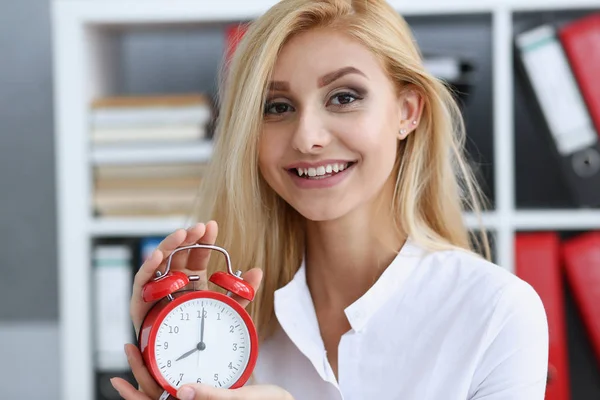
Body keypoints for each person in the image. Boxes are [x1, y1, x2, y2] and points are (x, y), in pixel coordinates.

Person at [110, 0, 549, 399]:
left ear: (407, 111)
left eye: (344, 97)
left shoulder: (497, 313)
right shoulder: (219, 330)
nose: (307, 138)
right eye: (277, 107)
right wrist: (170, 359)